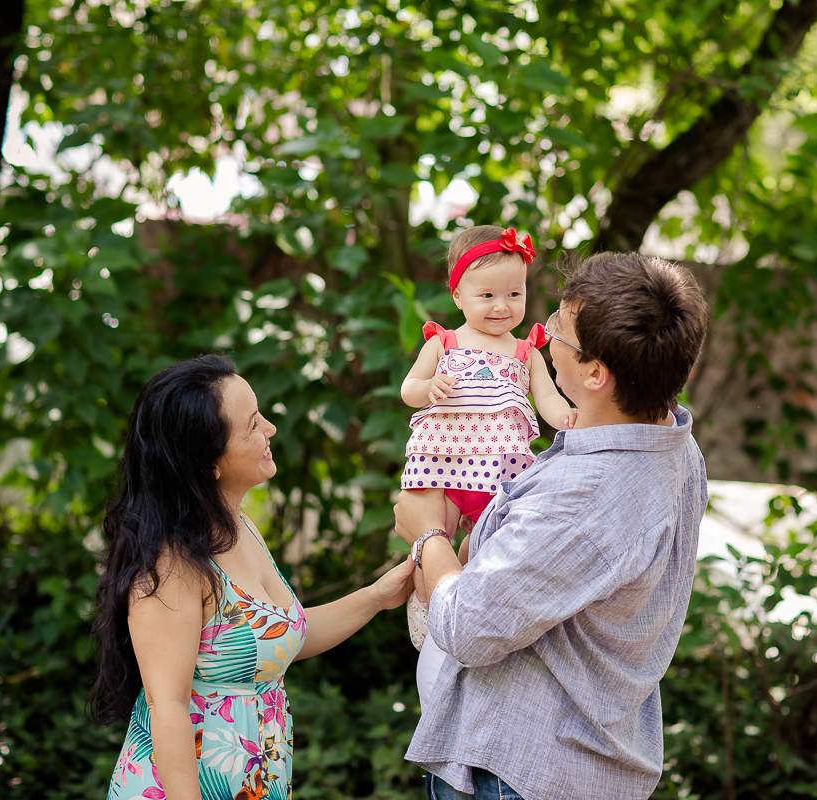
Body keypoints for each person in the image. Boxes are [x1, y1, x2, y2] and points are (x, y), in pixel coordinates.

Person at [394, 252, 709, 800]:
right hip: (588, 758)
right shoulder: (675, 443)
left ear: (594, 371)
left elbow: (468, 626)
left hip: (520, 770)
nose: (541, 338)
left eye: (557, 330)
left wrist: (428, 535)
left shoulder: (583, 496)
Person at [90, 355, 413, 800]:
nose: (271, 430)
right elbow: (169, 707)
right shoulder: (171, 564)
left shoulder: (241, 528)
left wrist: (376, 596)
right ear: (208, 464)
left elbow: (284, 638)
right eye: (253, 424)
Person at [399, 225, 575, 658]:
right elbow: (409, 389)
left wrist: (566, 417)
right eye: (487, 296)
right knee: (431, 536)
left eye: (514, 295)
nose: (502, 306)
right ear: (458, 295)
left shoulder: (526, 351)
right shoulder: (445, 342)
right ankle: (426, 603)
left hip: (500, 469)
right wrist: (429, 388)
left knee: (484, 551)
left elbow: (547, 398)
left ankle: (467, 613)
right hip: (441, 461)